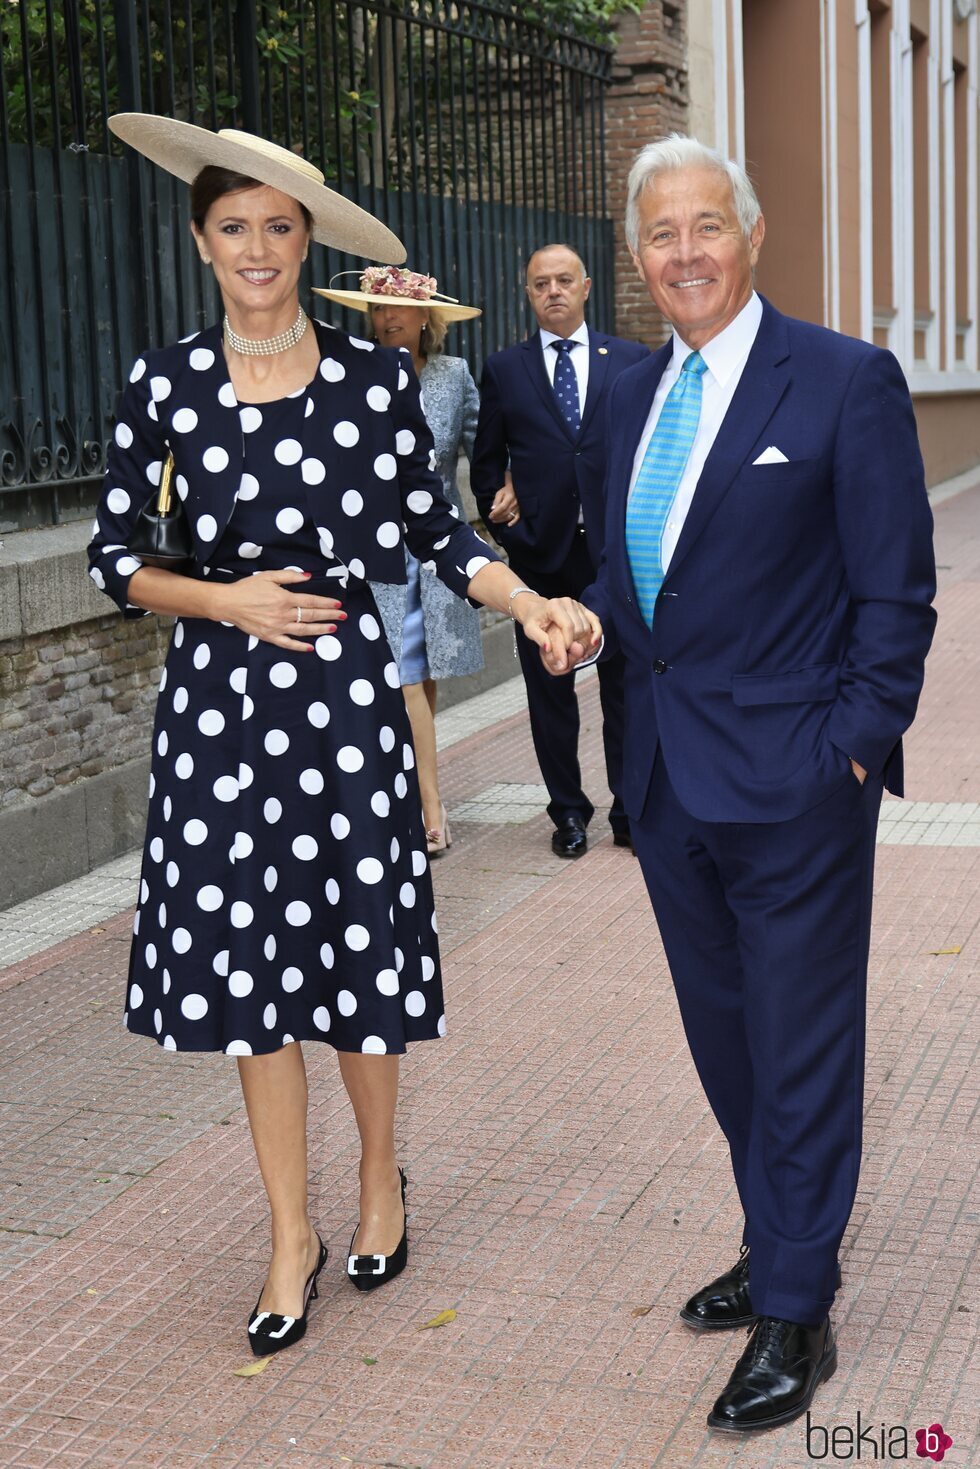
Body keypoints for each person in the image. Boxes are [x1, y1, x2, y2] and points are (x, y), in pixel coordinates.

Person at [87, 114, 600, 1358]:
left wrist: (530, 598)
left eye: (276, 226)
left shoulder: (374, 385)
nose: (255, 248)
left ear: (306, 241)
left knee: (356, 961)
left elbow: (440, 537)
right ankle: (286, 1233)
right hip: (219, 715)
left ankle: (379, 1178)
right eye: (232, 227)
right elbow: (116, 559)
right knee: (254, 985)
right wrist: (226, 598)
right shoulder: (163, 384)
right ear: (201, 240)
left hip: (344, 713)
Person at [549, 137, 936, 1431]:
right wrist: (587, 620)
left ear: (751, 234)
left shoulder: (842, 381)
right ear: (638, 256)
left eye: (707, 225)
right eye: (660, 234)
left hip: (797, 789)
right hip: (664, 786)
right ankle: (778, 1241)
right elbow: (637, 576)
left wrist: (855, 748)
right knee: (730, 1048)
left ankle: (797, 1310)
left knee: (803, 1048)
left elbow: (896, 593)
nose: (685, 252)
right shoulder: (627, 395)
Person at [470, 244, 647, 858]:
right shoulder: (504, 369)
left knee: (624, 686)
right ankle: (569, 814)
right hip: (540, 559)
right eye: (540, 283)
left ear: (587, 286)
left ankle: (630, 811)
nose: (553, 291)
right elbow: (487, 465)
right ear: (528, 293)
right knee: (550, 693)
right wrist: (509, 531)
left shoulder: (630, 361)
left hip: (613, 556)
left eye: (564, 280)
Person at [315, 266, 484, 856]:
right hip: (375, 550)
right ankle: (429, 810)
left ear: (424, 317)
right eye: (379, 310)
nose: (388, 319)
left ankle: (411, 789)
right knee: (404, 677)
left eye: (400, 310)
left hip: (435, 548)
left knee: (421, 677)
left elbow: (479, 446)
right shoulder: (350, 375)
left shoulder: (452, 375)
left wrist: (503, 490)